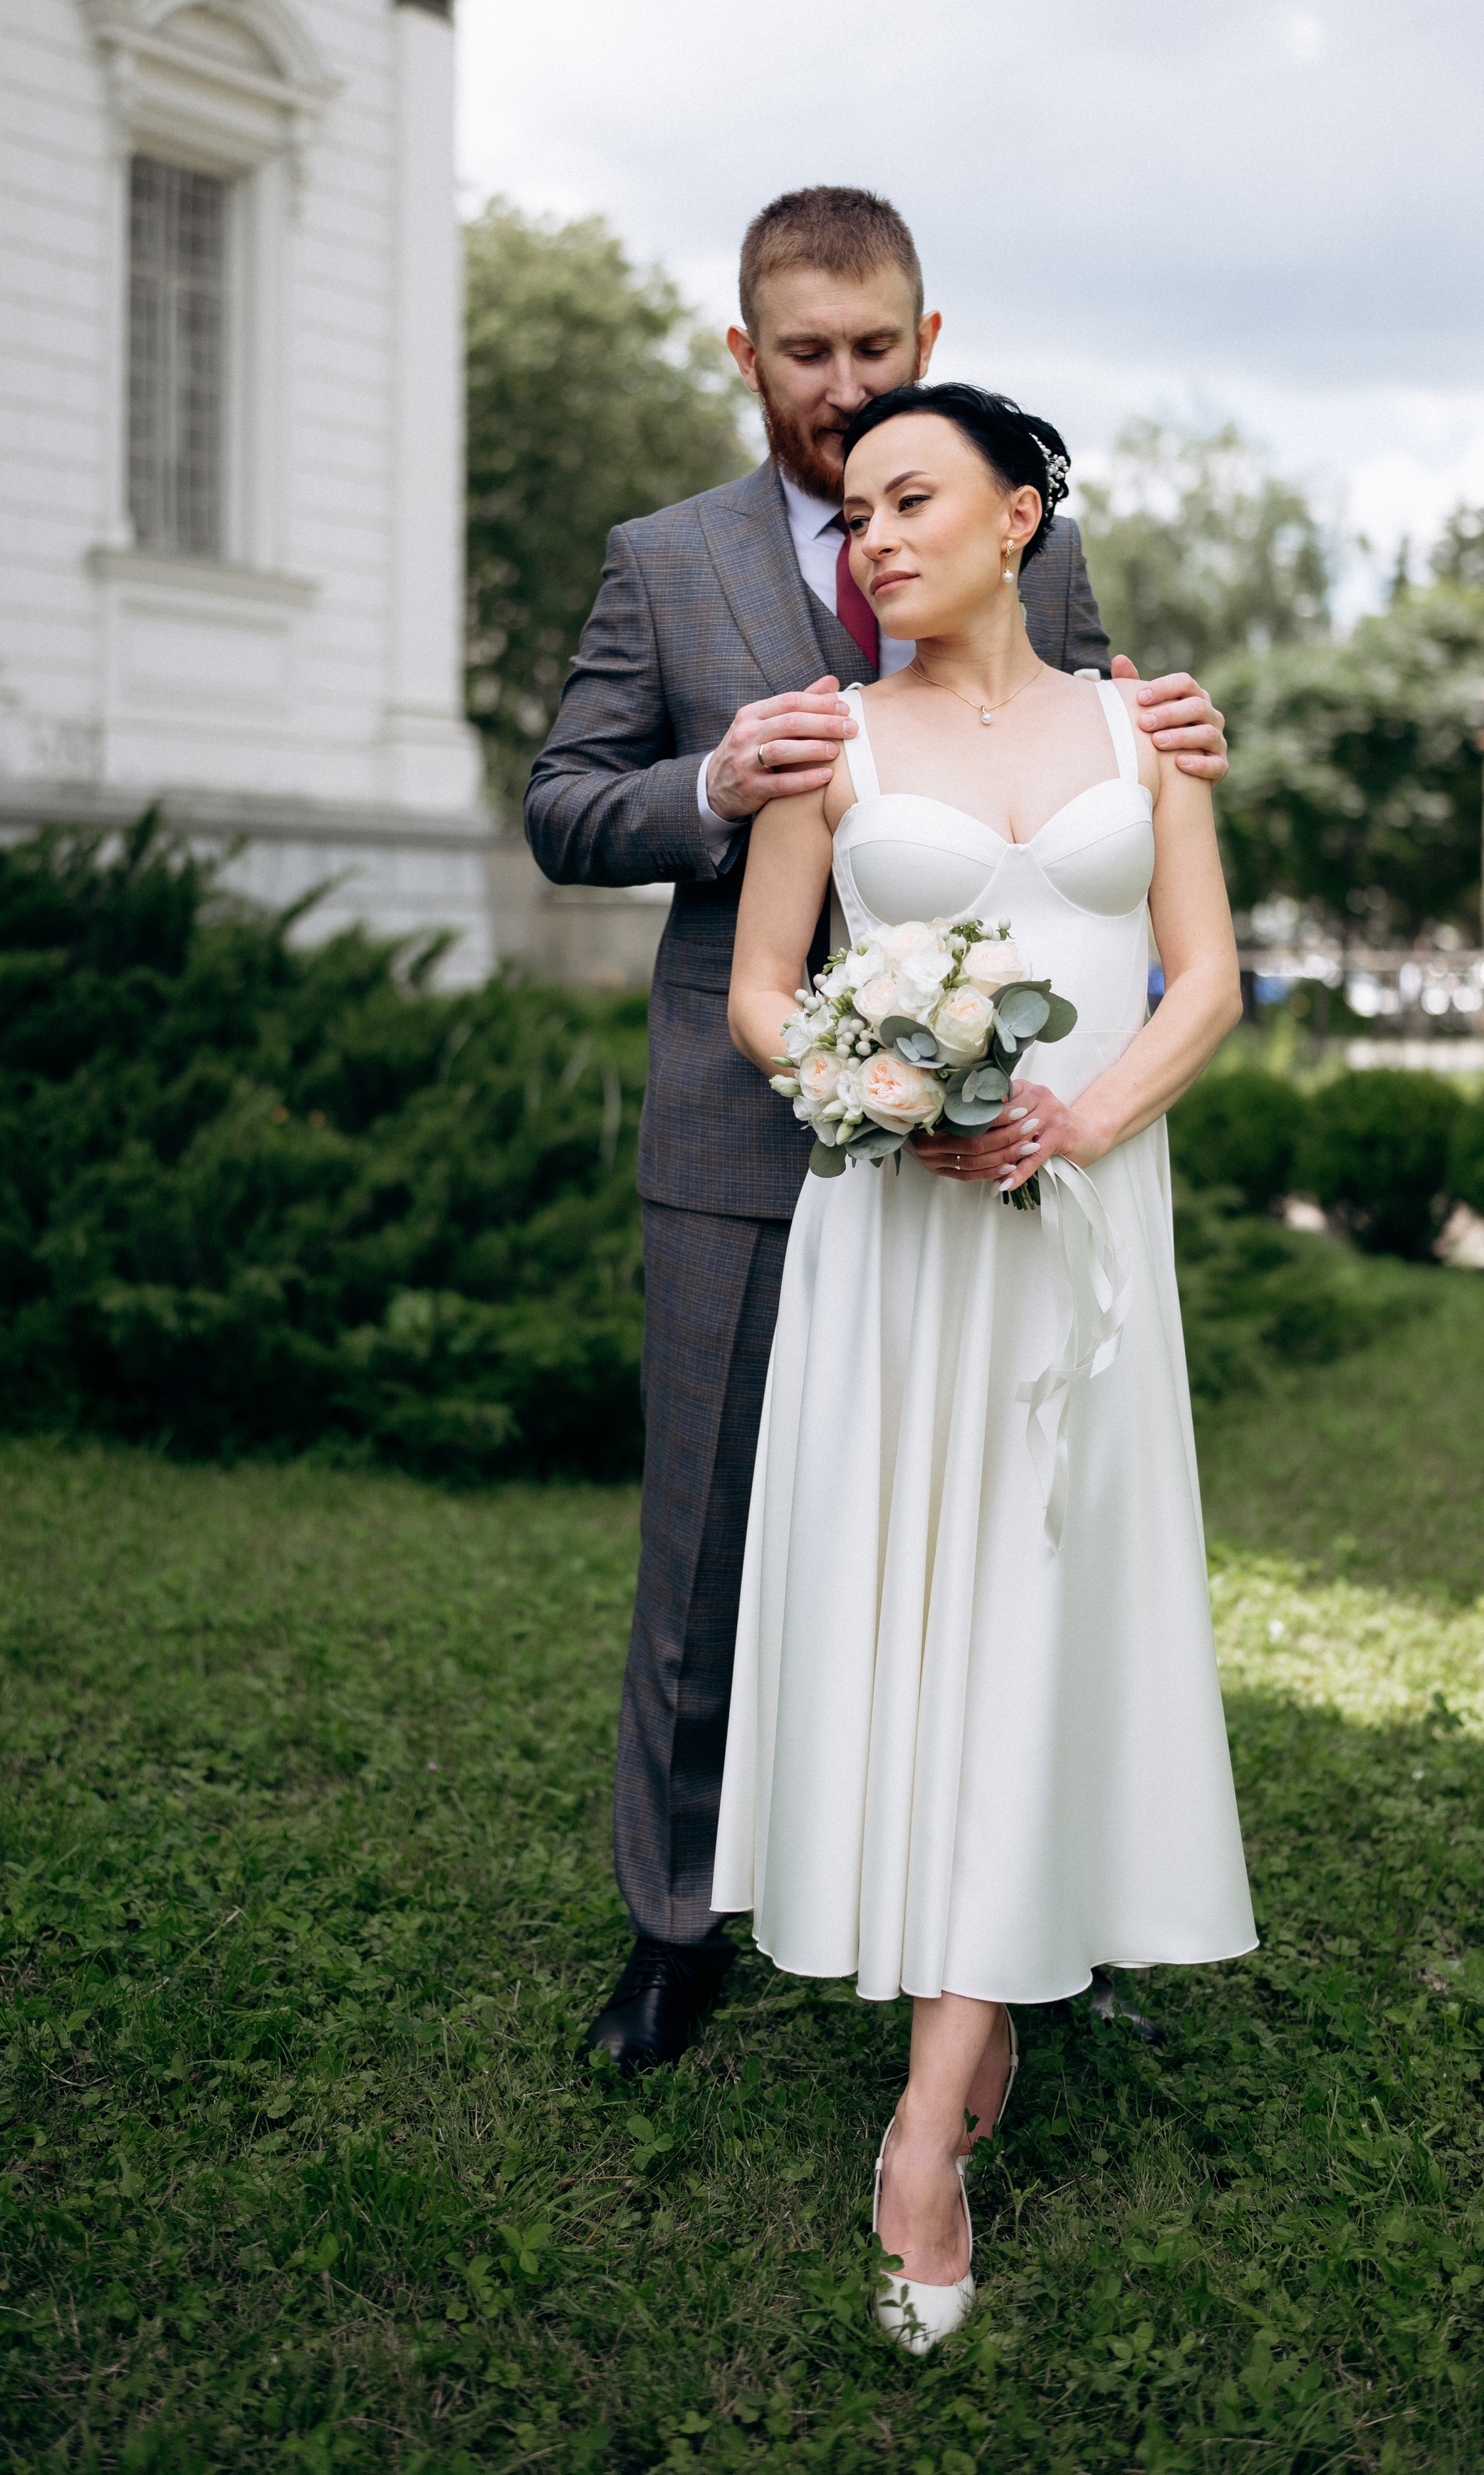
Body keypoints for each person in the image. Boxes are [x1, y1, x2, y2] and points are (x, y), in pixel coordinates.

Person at [523, 187, 1232, 2075]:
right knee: (707, 1548)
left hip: (1008, 1161)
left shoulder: (1011, 531)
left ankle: (1027, 1896)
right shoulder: (664, 563)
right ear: (744, 354)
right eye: (806, 353)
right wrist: (707, 780)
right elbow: (563, 804)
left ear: (927, 341)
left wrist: (1179, 729)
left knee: (1016, 1532)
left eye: (874, 349)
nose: (842, 387)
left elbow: (1090, 741)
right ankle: (680, 1925)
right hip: (743, 1134)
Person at [714, 381, 1258, 2350]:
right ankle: (960, 2028)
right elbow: (762, 995)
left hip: (1086, 1243)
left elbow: (1207, 977)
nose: (873, 536)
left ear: (1020, 514)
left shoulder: (1147, 728)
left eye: (912, 497)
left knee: (1041, 1610)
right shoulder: (827, 741)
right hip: (904, 1247)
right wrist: (885, 1084)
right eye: (856, 510)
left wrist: (1083, 1120)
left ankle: (927, 2121)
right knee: (924, 1624)